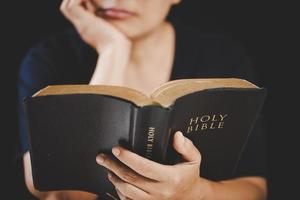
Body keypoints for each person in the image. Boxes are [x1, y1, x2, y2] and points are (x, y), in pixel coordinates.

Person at [18, 0, 268, 199]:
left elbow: (255, 188)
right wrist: (113, 51)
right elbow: (62, 195)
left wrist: (195, 194)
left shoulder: (222, 57)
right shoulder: (48, 60)